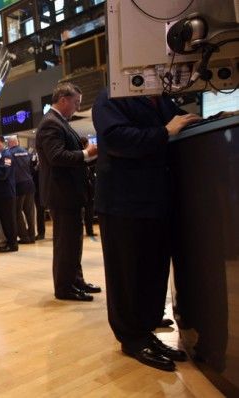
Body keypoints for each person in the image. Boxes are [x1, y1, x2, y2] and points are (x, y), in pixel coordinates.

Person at [92, 89, 200, 371]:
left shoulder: (160, 97)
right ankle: (132, 337)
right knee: (127, 273)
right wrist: (164, 131)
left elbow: (179, 123)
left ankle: (147, 322)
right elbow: (116, 139)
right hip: (122, 201)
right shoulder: (110, 98)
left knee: (154, 267)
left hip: (155, 198)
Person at [35, 82, 101, 302]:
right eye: (76, 102)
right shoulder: (51, 124)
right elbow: (57, 157)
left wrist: (87, 155)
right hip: (61, 194)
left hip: (69, 193)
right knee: (66, 244)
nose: (77, 107)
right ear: (63, 99)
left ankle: (76, 280)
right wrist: (85, 153)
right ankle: (64, 288)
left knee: (73, 242)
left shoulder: (60, 122)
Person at [7, 136, 36, 244]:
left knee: (17, 212)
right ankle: (32, 235)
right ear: (17, 142)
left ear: (9, 143)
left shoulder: (9, 153)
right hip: (30, 184)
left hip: (18, 185)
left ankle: (24, 237)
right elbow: (32, 167)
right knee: (29, 212)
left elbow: (6, 168)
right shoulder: (25, 151)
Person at [79, 136, 97, 237]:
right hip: (85, 189)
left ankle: (89, 231)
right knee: (87, 211)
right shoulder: (82, 156)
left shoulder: (83, 157)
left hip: (87, 189)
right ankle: (88, 231)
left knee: (88, 211)